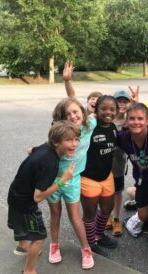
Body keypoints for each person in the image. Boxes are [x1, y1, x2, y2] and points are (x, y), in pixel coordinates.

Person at [7, 121, 85, 274]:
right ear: (56, 142)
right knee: (39, 237)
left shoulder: (46, 147)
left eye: (76, 139)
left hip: (14, 194)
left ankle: (23, 246)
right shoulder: (51, 164)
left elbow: (30, 150)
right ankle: (29, 270)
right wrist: (64, 179)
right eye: (68, 140)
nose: (74, 144)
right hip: (25, 204)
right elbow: (38, 197)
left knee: (21, 225)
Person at [47, 97, 98, 263]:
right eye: (68, 114)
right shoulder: (58, 133)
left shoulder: (90, 126)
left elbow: (105, 111)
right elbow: (46, 149)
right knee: (55, 214)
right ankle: (54, 244)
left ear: (82, 113)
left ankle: (86, 249)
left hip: (74, 179)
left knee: (75, 216)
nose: (73, 116)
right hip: (53, 179)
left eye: (76, 112)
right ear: (61, 118)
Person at [118, 103, 148, 248]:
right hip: (142, 179)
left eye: (140, 118)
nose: (136, 122)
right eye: (132, 118)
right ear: (126, 121)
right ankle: (141, 206)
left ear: (147, 120)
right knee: (144, 216)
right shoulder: (123, 137)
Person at [80, 95, 119, 255]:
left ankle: (99, 234)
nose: (108, 112)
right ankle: (91, 243)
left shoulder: (113, 128)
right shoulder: (89, 128)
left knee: (107, 208)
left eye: (112, 109)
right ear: (96, 110)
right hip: (88, 177)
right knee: (89, 214)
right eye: (103, 108)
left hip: (106, 176)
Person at [105, 90, 131, 236]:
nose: (122, 104)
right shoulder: (106, 119)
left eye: (125, 101)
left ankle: (116, 218)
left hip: (119, 164)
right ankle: (106, 217)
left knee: (117, 191)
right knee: (103, 192)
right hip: (102, 164)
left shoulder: (129, 120)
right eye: (119, 101)